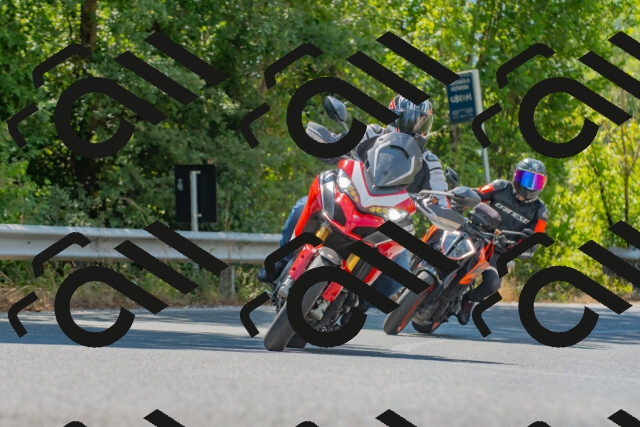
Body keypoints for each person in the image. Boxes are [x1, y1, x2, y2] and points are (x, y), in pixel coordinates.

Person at [257, 95, 451, 313]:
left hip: (386, 223)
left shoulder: (429, 161)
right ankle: (280, 265)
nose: (413, 126)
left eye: (420, 121)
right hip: (348, 199)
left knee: (398, 275)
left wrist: (441, 208)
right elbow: (342, 142)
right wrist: (328, 144)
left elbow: (440, 194)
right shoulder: (372, 133)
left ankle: (354, 306)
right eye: (407, 119)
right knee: (303, 207)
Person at [456, 158, 550, 325]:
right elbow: (477, 194)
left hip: (499, 250)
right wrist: (462, 200)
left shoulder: (540, 211)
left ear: (542, 184)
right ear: (516, 176)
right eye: (526, 179)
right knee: (445, 244)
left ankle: (469, 299)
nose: (530, 186)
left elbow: (535, 239)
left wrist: (522, 248)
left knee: (492, 285)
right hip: (475, 234)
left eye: (536, 181)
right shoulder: (500, 186)